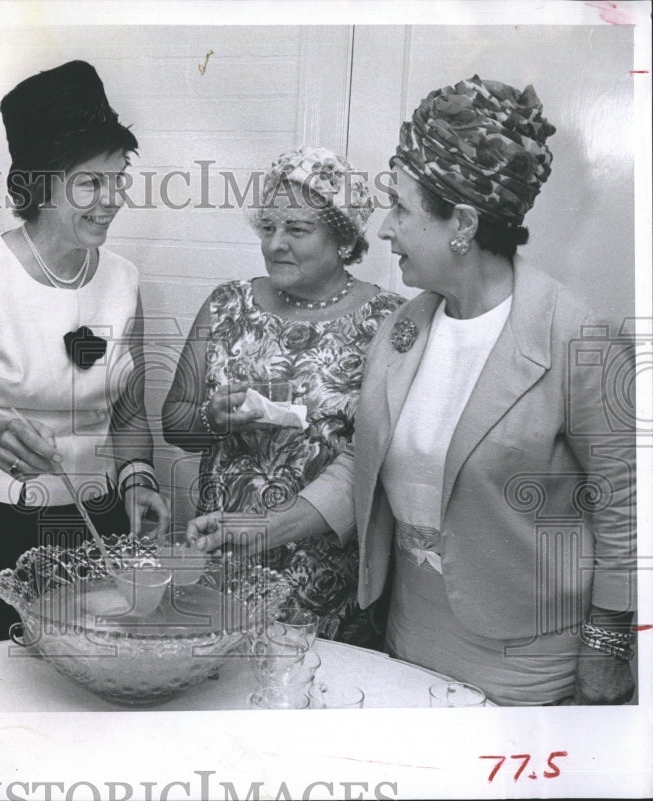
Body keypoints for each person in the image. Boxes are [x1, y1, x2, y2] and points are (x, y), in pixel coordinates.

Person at [356, 76, 635, 705]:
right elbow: (368, 458)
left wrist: (608, 647)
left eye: (399, 207)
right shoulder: (405, 326)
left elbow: (626, 511)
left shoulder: (577, 337)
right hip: (409, 630)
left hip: (526, 662)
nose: (382, 228)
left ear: (462, 222)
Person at [0, 60, 170, 654]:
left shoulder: (124, 279)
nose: (110, 201)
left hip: (94, 530)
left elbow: (127, 412)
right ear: (40, 184)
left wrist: (137, 479)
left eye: (117, 179)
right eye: (90, 183)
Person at [164, 147, 404, 648]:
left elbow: (387, 465)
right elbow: (174, 423)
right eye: (268, 227)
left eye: (296, 230)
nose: (275, 244)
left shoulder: (388, 321)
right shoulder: (229, 304)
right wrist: (215, 420)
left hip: (325, 575)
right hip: (223, 554)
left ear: (344, 239)